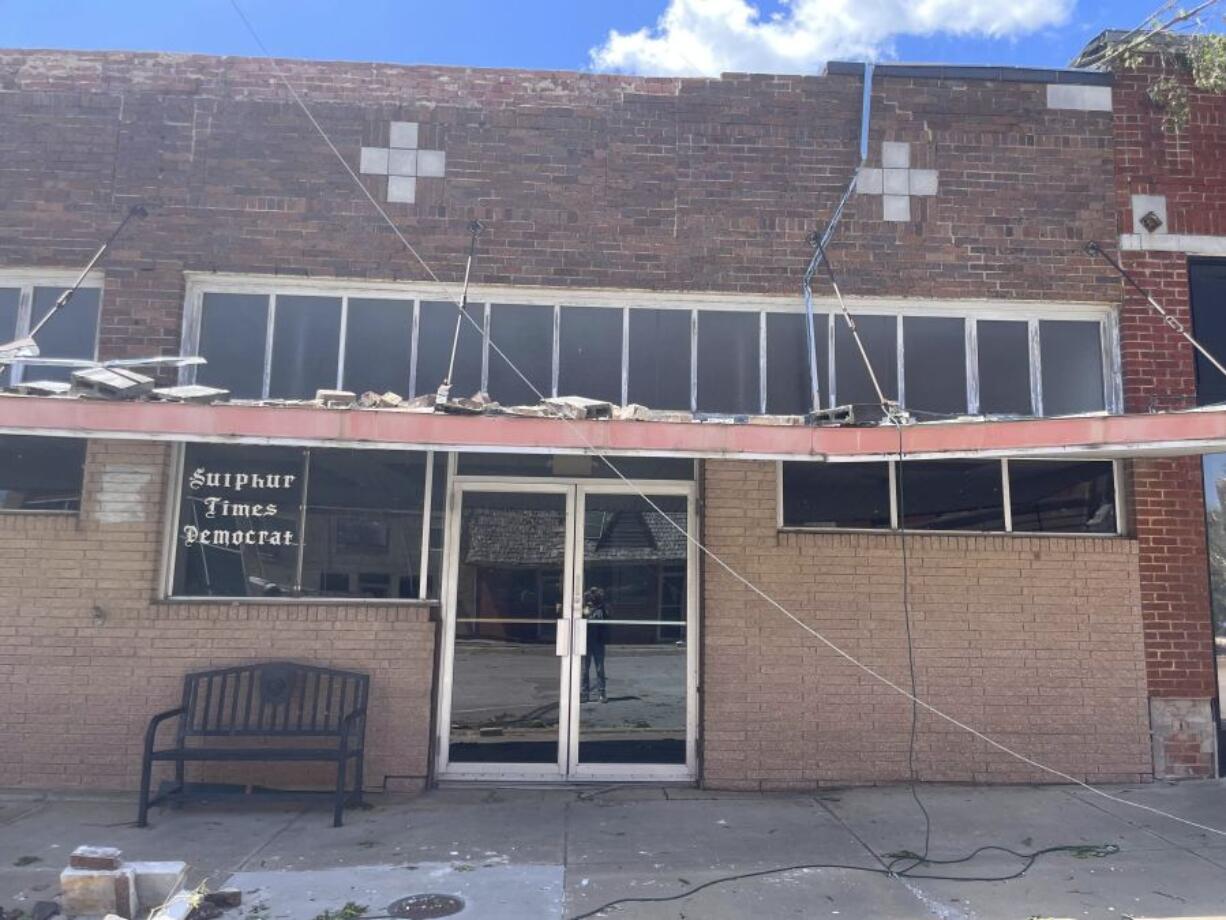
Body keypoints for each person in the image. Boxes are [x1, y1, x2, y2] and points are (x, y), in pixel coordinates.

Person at [580, 585, 609, 703]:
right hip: (586, 641)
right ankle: (584, 693)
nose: (593, 598)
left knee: (599, 668)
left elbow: (607, 618)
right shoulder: (586, 608)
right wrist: (586, 604)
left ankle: (601, 692)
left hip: (598, 641)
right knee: (584, 669)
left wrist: (601, 604)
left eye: (595, 595)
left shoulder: (603, 608)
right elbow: (582, 617)